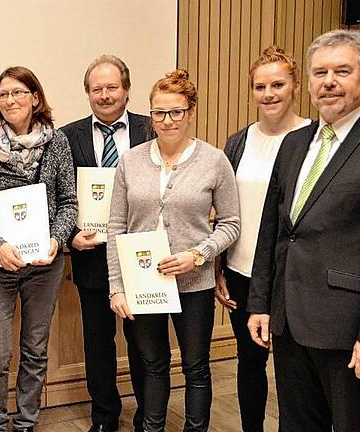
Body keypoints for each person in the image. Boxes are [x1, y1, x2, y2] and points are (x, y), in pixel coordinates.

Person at [247, 29, 360, 432]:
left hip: (347, 330)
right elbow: (274, 232)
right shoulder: (294, 143)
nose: (329, 82)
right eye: (320, 72)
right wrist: (260, 303)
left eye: (342, 71)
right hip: (289, 322)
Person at [107, 69, 240, 432]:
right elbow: (117, 227)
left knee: (196, 366)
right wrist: (117, 287)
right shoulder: (130, 161)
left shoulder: (214, 161)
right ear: (150, 114)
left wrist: (198, 255)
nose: (166, 120)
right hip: (143, 284)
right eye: (158, 112)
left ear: (190, 111)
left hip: (194, 284)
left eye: (175, 111)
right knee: (152, 364)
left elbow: (230, 223)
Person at [0, 66, 77, 432]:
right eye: (3, 94)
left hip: (44, 265)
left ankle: (26, 421)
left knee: (36, 350)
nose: (10, 100)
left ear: (35, 98)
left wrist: (57, 238)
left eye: (18, 92)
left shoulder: (57, 144)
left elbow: (69, 202)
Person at [213, 46, 310, 432]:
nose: (269, 94)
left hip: (292, 276)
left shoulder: (314, 139)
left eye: (278, 84)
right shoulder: (238, 143)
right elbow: (223, 212)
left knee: (293, 370)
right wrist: (219, 267)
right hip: (242, 270)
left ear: (296, 86)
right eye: (260, 86)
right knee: (249, 361)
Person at [61, 54, 148, 432]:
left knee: (145, 344)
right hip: (92, 255)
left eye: (112, 87)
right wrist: (68, 236)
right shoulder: (67, 136)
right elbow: (57, 195)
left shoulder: (151, 129)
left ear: (127, 90)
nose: (105, 95)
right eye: (97, 89)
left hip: (142, 254)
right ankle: (104, 417)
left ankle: (151, 414)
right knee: (98, 344)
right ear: (87, 94)